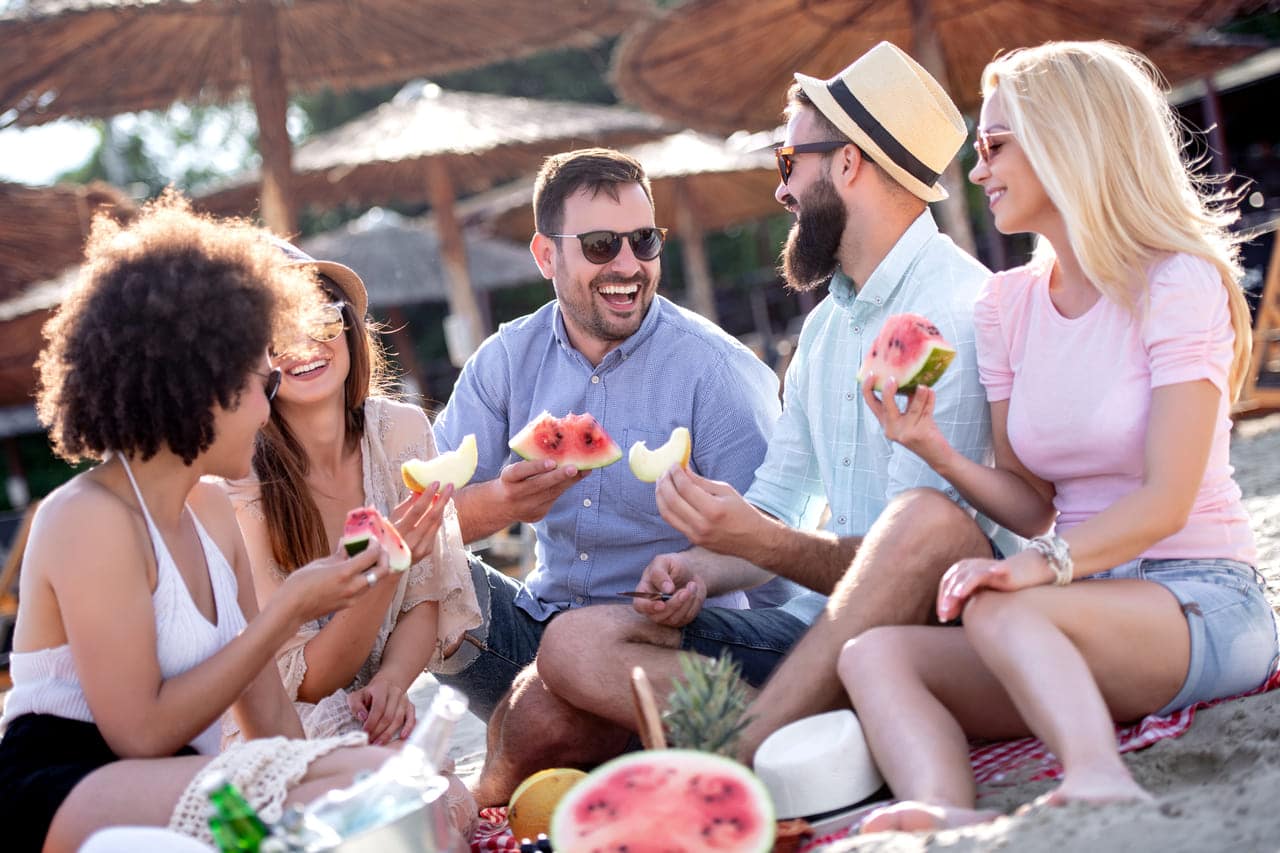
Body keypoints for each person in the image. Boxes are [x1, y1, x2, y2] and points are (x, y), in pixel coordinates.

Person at [502, 41, 1015, 783]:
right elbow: (776, 503)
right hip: (812, 632)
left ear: (847, 164)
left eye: (788, 162)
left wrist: (763, 544)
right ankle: (801, 736)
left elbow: (917, 561)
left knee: (571, 675)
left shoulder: (954, 314)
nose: (780, 190)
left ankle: (756, 747)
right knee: (575, 645)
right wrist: (696, 569)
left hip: (919, 633)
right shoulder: (829, 329)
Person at [840, 41, 1279, 833]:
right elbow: (1034, 502)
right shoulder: (1005, 306)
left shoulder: (1176, 282)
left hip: (1198, 599)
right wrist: (931, 445)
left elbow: (1168, 497)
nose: (976, 174)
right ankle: (945, 806)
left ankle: (1096, 778)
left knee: (1002, 608)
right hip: (1076, 606)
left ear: (1067, 140)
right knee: (873, 654)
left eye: (993, 147)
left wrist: (1040, 569)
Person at [0, 194, 469, 852]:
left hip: (173, 778)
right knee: (365, 783)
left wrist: (332, 795)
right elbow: (140, 732)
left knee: (399, 782)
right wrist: (289, 608)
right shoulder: (86, 518)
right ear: (200, 384)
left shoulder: (214, 509)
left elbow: (271, 719)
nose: (266, 406)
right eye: (260, 383)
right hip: (63, 788)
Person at [430, 147, 789, 800]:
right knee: (413, 586)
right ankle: (593, 747)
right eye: (600, 245)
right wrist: (502, 501)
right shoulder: (507, 358)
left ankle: (482, 803)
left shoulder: (716, 370)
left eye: (643, 241)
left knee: (537, 717)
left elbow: (778, 539)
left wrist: (698, 575)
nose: (628, 265)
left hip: (669, 640)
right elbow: (423, 517)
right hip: (540, 622)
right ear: (547, 257)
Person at [222, 241, 480, 748]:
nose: (303, 345)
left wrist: (390, 682)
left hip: (373, 718)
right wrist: (388, 567)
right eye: (274, 334)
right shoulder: (237, 479)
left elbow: (423, 600)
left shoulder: (401, 431)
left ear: (349, 327)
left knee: (449, 804)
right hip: (275, 730)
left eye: (319, 319)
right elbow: (307, 682)